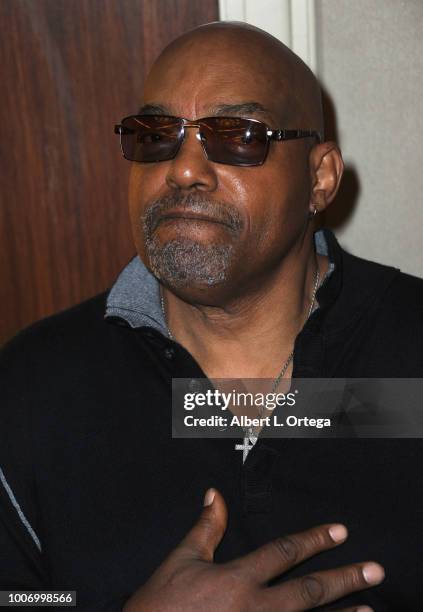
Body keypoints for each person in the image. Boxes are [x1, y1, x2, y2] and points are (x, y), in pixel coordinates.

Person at [1, 20, 423, 611]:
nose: (183, 168)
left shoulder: (410, 350)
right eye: (156, 135)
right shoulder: (32, 386)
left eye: (237, 135)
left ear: (320, 178)